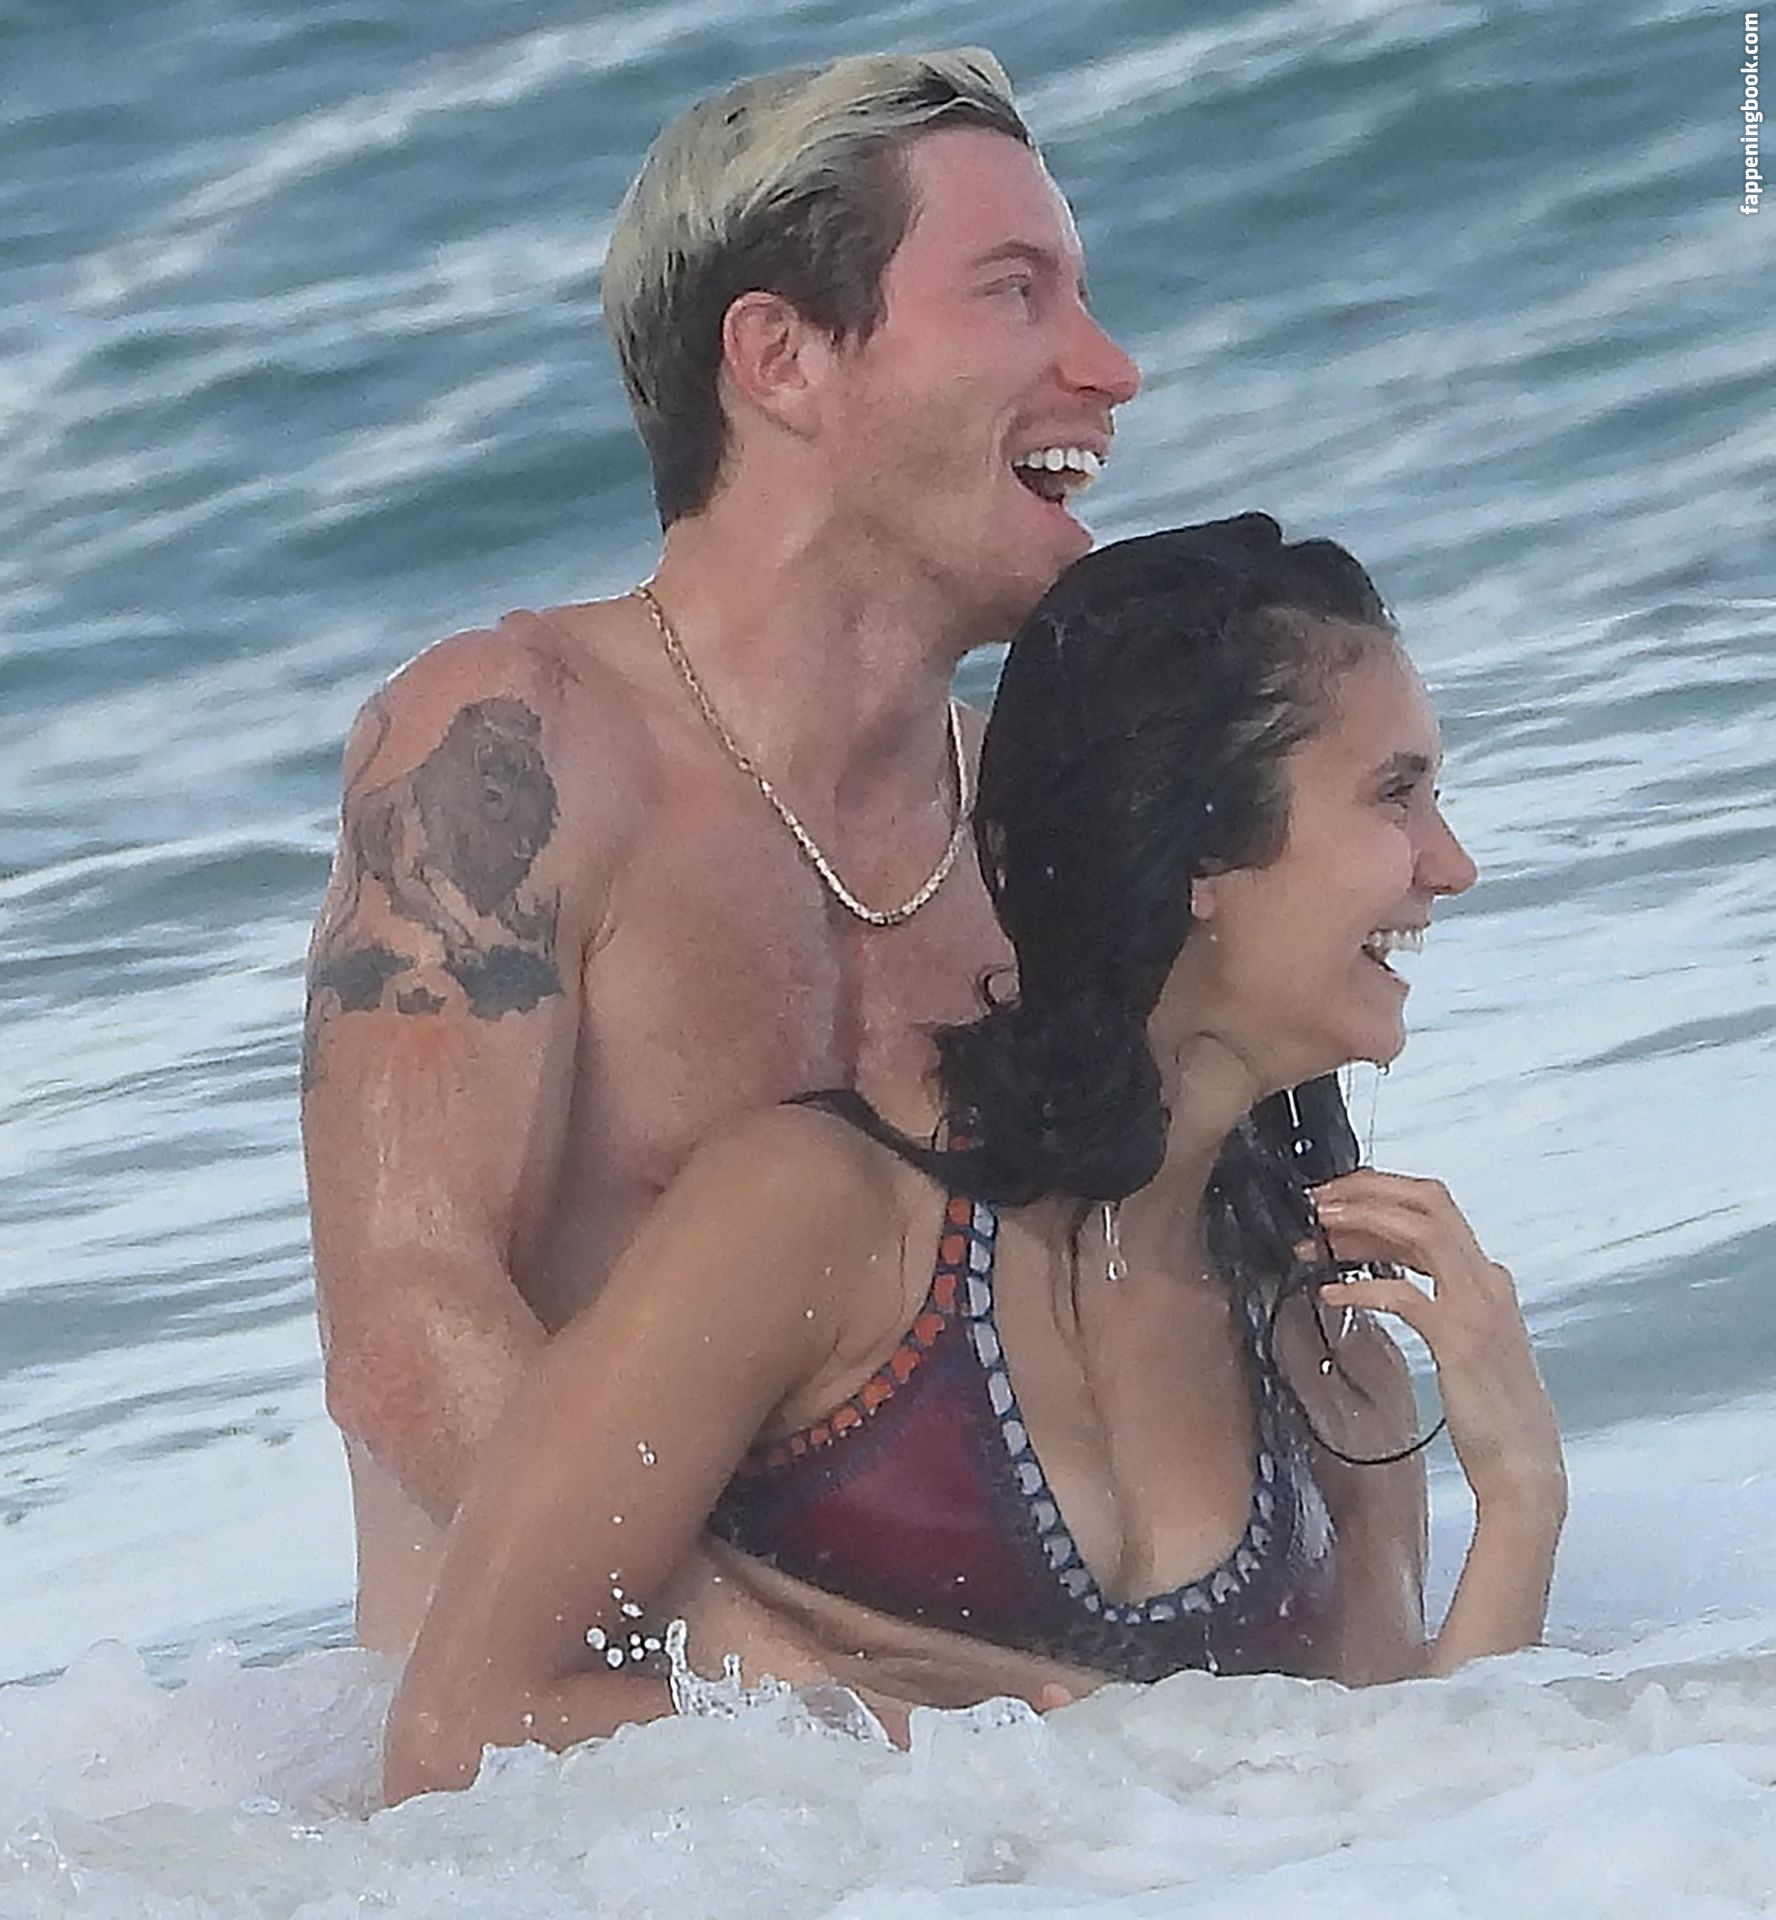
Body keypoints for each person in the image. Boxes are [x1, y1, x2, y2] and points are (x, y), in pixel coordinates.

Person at [381, 515, 1568, 1803]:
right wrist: (928, 1742)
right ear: (1203, 852)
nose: (1452, 866)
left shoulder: (1324, 1348)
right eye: (1396, 795)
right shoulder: (822, 1218)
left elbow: (1401, 1822)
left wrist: (1520, 1495)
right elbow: (457, 1734)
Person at [300, 50, 1141, 1658]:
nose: (1111, 369)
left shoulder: (1035, 827)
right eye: (1018, 293)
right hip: (558, 1784)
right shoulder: (513, 744)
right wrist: (815, 1708)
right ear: (781, 358)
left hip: (939, 1770)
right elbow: (404, 1333)